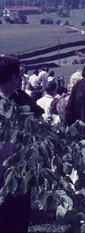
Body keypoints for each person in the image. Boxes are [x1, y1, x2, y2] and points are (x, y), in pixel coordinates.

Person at [0, 54, 44, 233]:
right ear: (12, 79)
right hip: (13, 172)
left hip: (17, 173)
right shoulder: (17, 103)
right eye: (18, 78)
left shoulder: (21, 99)